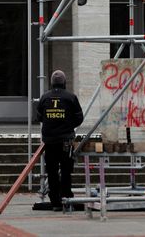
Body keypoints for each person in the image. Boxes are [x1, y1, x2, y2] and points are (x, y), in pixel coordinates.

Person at [36, 70, 84, 211]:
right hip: (65, 141)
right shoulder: (71, 97)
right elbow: (79, 118)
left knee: (51, 171)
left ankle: (55, 201)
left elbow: (38, 117)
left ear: (51, 83)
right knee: (66, 170)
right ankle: (66, 197)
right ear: (64, 83)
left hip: (49, 141)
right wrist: (68, 126)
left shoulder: (45, 98)